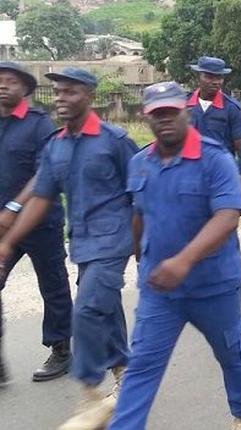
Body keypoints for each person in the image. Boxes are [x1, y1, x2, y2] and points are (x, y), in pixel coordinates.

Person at [108, 82, 241, 430]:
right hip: (160, 288)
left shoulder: (214, 158)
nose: (164, 120)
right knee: (143, 363)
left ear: (186, 113)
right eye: (156, 114)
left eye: (171, 112)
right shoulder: (139, 162)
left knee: (231, 353)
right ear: (146, 118)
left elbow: (227, 215)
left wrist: (184, 260)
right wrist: (135, 256)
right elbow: (139, 214)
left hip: (214, 285)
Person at [0, 68, 138, 429]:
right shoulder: (57, 145)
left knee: (88, 310)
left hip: (114, 240)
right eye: (58, 92)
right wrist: (8, 242)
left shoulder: (115, 140)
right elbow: (41, 198)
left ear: (90, 96)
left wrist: (144, 245)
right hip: (81, 241)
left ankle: (91, 395)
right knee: (102, 306)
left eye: (70, 92)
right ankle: (126, 375)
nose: (60, 98)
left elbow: (143, 192)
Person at [0, 62, 72, 384]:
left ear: (26, 89)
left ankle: (60, 349)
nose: (2, 86)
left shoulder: (39, 124)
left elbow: (45, 173)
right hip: (2, 227)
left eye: (10, 81)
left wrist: (14, 206)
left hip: (40, 223)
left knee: (52, 286)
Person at [186, 56, 241, 155]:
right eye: (209, 77)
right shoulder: (183, 105)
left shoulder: (233, 108)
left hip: (219, 168)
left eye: (219, 77)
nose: (215, 82)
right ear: (198, 77)